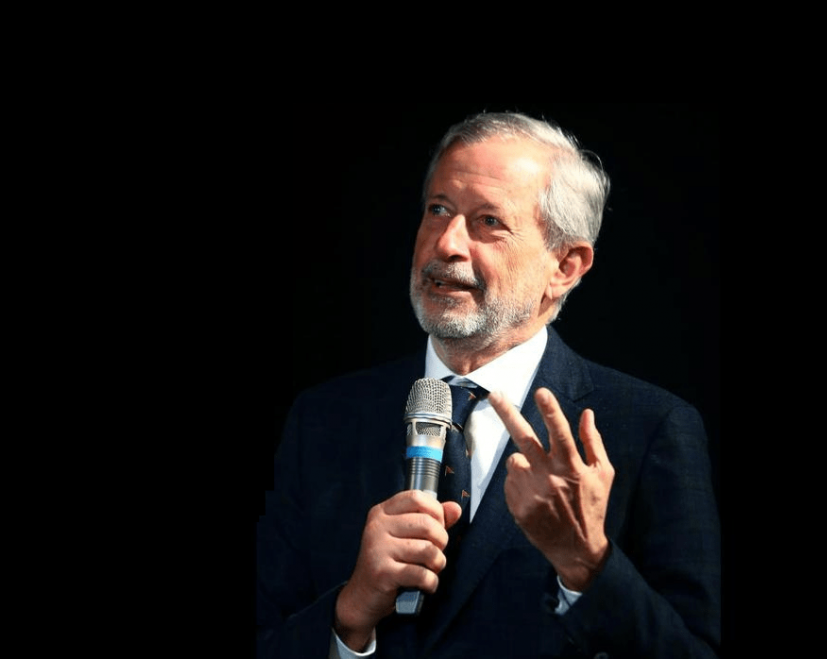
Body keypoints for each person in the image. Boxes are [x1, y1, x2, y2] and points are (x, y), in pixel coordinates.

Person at [256, 111, 720, 658]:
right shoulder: (324, 418)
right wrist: (350, 614)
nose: (447, 243)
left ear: (565, 266)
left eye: (488, 222)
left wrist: (587, 565)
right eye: (438, 210)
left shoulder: (650, 428)